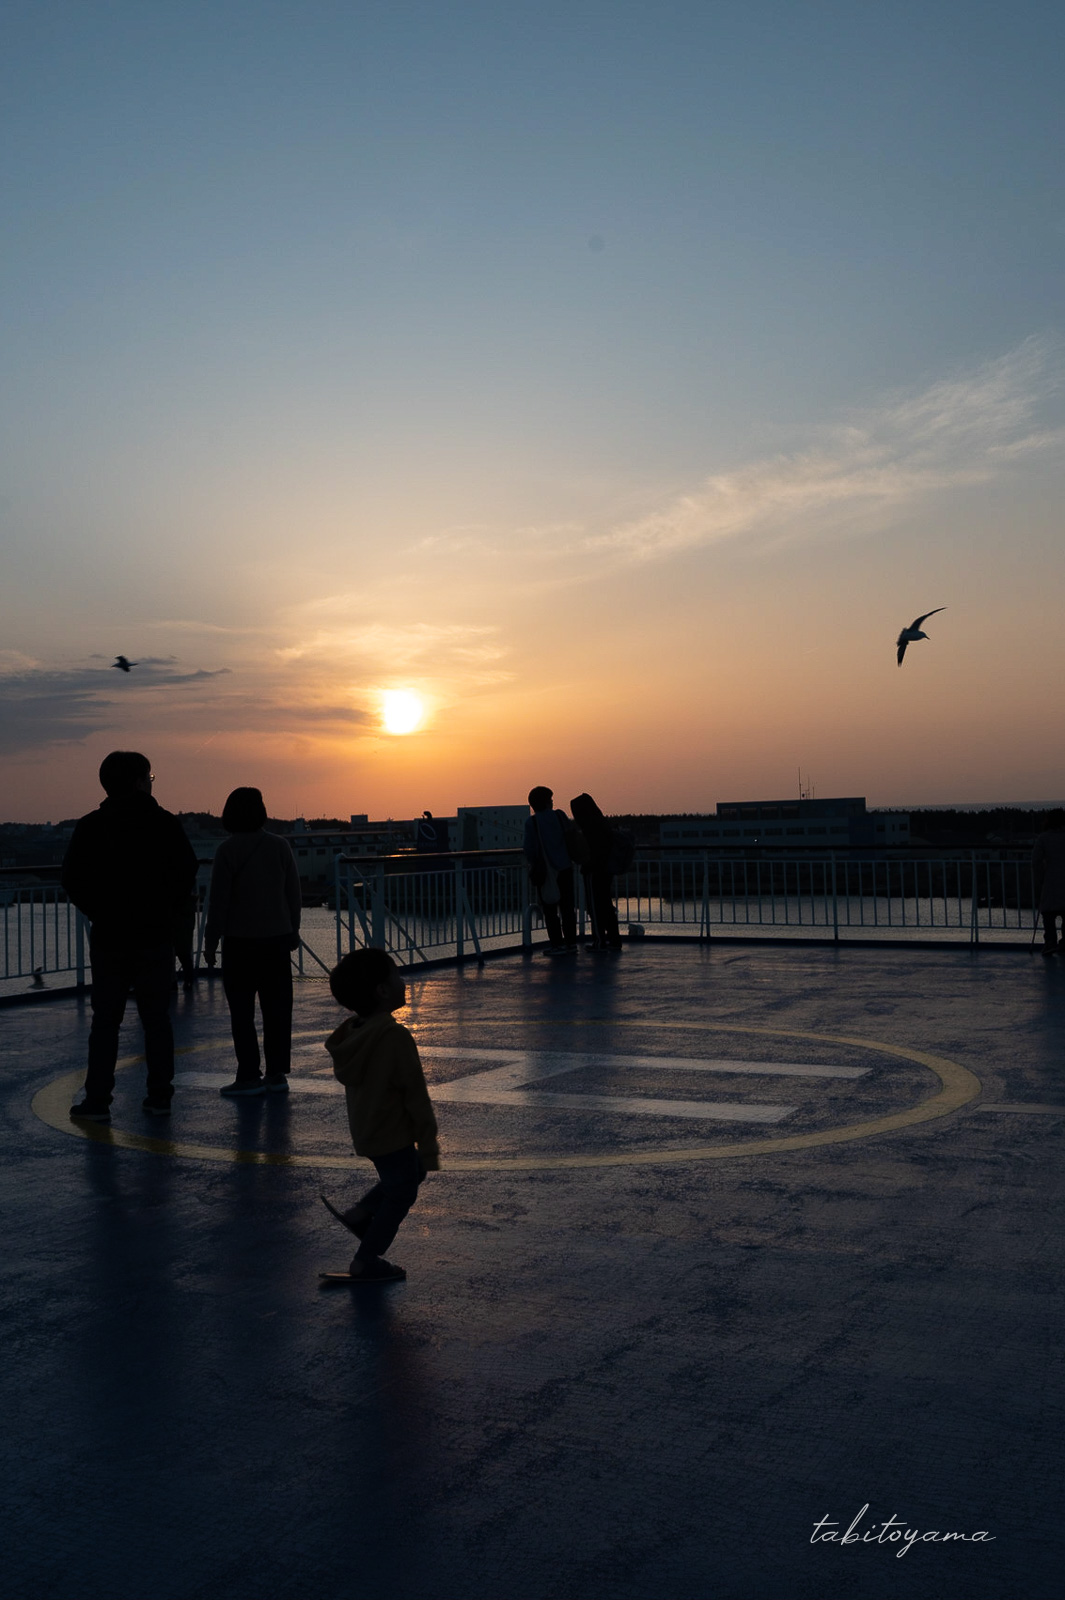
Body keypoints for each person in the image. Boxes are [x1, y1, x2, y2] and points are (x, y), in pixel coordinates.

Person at [62, 751, 198, 1120]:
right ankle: (159, 1097)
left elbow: (72, 878)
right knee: (156, 1018)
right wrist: (166, 911)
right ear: (140, 781)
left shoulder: (92, 826)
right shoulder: (164, 824)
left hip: (110, 936)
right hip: (154, 935)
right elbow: (186, 873)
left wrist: (100, 911)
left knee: (106, 1020)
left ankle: (98, 1101)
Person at [321, 948, 440, 1283]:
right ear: (382, 991)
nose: (403, 982)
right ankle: (366, 1259)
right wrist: (428, 1142)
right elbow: (414, 1095)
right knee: (402, 1192)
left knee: (408, 1173)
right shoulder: (394, 1037)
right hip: (392, 1133)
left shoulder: (355, 1034)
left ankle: (361, 1214)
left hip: (368, 1130)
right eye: (397, 976)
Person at [203, 787, 302, 1095]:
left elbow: (218, 902)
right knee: (277, 1009)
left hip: (240, 943)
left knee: (242, 1012)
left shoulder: (227, 851)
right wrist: (293, 930)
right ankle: (276, 1074)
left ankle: (248, 1075)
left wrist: (209, 943)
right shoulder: (280, 846)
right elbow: (293, 895)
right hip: (276, 940)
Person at [523, 786, 578, 954]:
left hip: (546, 871)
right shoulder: (560, 816)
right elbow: (571, 837)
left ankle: (557, 945)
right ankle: (571, 943)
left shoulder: (531, 822)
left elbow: (530, 850)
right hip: (566, 868)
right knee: (567, 908)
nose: (552, 802)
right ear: (547, 802)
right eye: (550, 799)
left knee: (550, 909)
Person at [570, 792, 623, 950]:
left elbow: (593, 853)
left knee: (595, 906)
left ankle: (600, 941)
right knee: (606, 905)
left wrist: (586, 865)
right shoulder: (601, 824)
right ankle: (614, 939)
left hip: (594, 872)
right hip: (605, 871)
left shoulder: (591, 829)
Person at [1032, 813, 1065, 956]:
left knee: (1048, 913)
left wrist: (1039, 879)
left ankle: (1050, 942)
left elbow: (1036, 861)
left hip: (1050, 880)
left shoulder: (1043, 838)